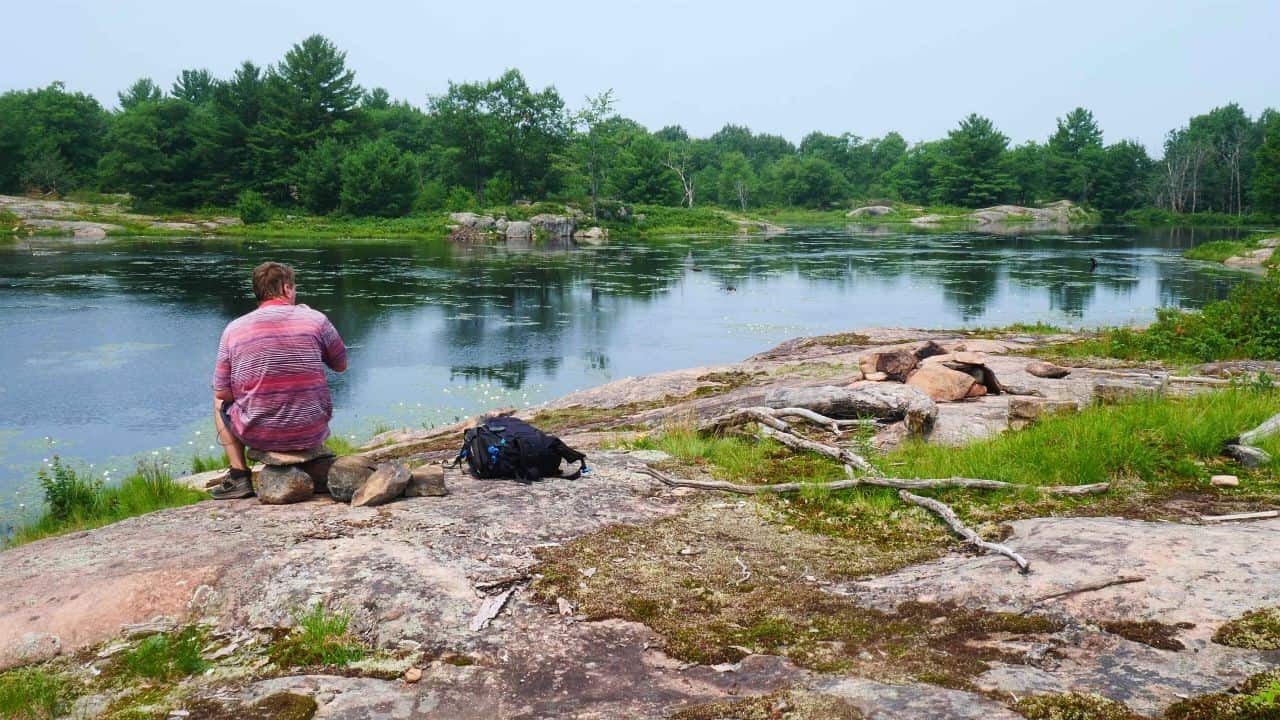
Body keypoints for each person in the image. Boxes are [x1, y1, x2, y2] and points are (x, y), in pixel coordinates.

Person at [210, 262, 348, 499]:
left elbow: (223, 392)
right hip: (311, 429)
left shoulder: (234, 329)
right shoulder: (315, 319)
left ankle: (239, 475)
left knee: (216, 401)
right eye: (293, 288)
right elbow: (341, 365)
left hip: (259, 433)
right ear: (286, 288)